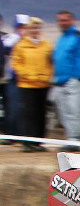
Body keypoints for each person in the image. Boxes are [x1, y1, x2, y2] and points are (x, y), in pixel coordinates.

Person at [10, 17, 53, 152]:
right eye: (33, 28)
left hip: (43, 84)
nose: (35, 30)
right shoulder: (20, 45)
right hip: (27, 85)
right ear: (28, 29)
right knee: (29, 114)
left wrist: (47, 75)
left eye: (37, 28)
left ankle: (38, 142)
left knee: (41, 113)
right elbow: (16, 63)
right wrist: (27, 74)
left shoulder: (47, 45)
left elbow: (51, 63)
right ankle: (28, 142)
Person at [52, 10, 80, 151]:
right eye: (60, 20)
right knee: (64, 112)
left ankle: (76, 139)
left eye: (65, 20)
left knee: (74, 111)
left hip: (72, 80)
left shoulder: (78, 37)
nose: (62, 23)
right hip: (60, 81)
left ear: (72, 21)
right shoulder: (61, 39)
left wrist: (77, 76)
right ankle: (70, 138)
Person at [1, 14, 28, 142]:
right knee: (12, 108)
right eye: (20, 26)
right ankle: (11, 134)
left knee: (25, 108)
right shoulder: (10, 39)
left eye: (25, 27)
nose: (22, 29)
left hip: (29, 79)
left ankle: (24, 133)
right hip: (12, 78)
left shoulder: (33, 41)